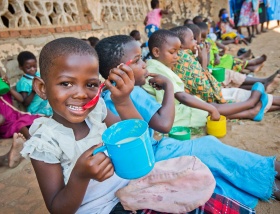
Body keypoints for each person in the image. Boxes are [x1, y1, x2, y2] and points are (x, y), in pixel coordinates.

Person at [95, 34, 280, 209]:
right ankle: (270, 176)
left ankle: (268, 179)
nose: (144, 65)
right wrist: (168, 86)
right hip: (153, 155)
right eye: (137, 61)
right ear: (119, 70)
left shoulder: (110, 96)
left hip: (155, 150)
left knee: (210, 155)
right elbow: (164, 124)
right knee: (210, 149)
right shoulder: (127, 93)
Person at [20, 37, 145, 213]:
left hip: (127, 191)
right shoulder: (45, 143)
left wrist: (123, 101)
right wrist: (79, 176)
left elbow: (134, 134)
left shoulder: (97, 112)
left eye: (91, 84)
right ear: (42, 88)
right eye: (66, 83)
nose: (81, 94)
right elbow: (58, 209)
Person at [143, 29, 277, 127]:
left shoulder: (160, 65)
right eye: (173, 52)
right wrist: (210, 108)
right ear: (156, 52)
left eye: (178, 52)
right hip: (176, 113)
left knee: (211, 106)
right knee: (211, 108)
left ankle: (251, 110)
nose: (177, 56)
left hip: (178, 108)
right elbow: (183, 95)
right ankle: (250, 104)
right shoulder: (157, 68)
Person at [194, 23, 280, 93]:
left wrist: (216, 54)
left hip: (213, 70)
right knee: (229, 74)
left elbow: (214, 48)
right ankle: (258, 74)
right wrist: (206, 54)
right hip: (211, 74)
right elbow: (205, 68)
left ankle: (263, 82)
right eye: (200, 38)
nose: (203, 40)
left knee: (229, 67)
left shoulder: (205, 43)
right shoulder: (194, 52)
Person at [0, 63, 40, 139]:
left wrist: (8, 87)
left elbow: (21, 99)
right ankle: (32, 141)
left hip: (17, 118)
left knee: (37, 119)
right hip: (5, 125)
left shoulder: (4, 91)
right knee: (21, 126)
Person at [16, 51, 53, 116]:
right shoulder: (23, 83)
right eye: (28, 67)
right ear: (21, 67)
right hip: (35, 110)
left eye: (34, 66)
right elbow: (25, 103)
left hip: (46, 105)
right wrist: (33, 91)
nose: (32, 69)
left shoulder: (38, 74)